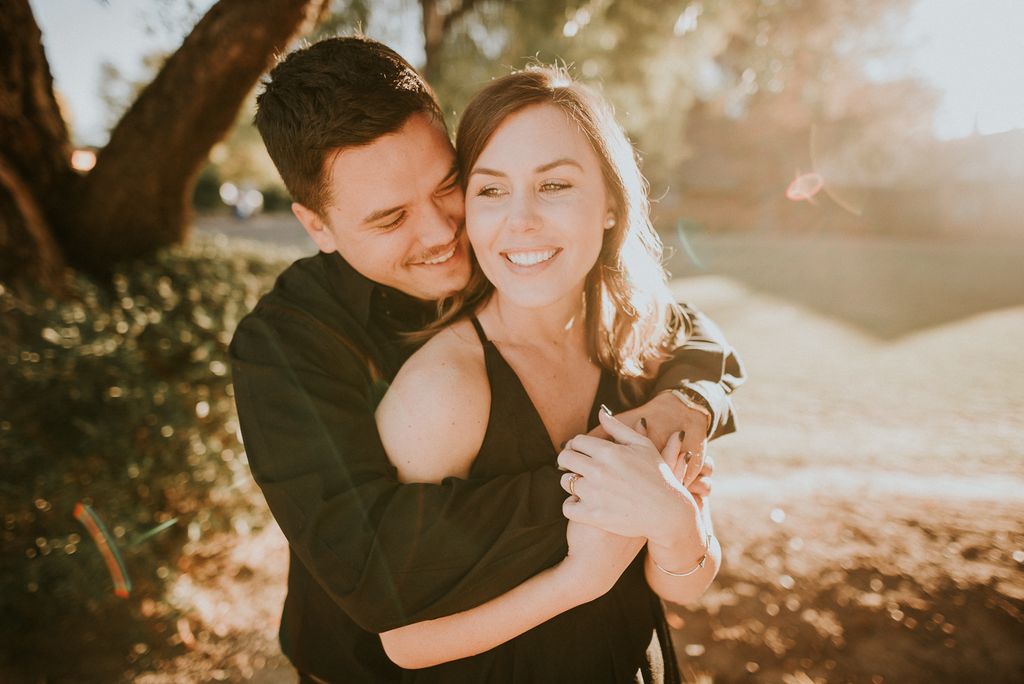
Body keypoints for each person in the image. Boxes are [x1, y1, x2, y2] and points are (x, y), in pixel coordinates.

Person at [229, 36, 745, 683]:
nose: (443, 232)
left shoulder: (513, 259)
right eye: (390, 219)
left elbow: (681, 330)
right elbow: (374, 569)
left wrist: (683, 409)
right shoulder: (284, 348)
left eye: (450, 186)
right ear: (318, 226)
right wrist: (609, 488)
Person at [370, 66, 721, 681]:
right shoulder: (443, 391)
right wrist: (576, 581)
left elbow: (686, 582)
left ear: (611, 204)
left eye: (554, 184)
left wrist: (676, 524)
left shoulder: (639, 347)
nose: (521, 220)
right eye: (491, 190)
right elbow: (402, 639)